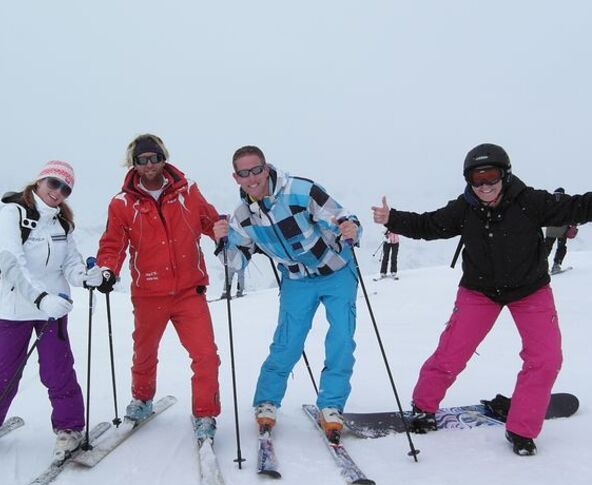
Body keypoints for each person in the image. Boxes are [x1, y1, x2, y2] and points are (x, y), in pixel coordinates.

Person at [372, 143, 592, 456]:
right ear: (469, 181)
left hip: (531, 290)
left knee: (546, 359)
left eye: (492, 177)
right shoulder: (464, 208)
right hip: (479, 291)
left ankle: (522, 430)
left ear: (505, 175)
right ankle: (423, 406)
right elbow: (429, 225)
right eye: (478, 179)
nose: (485, 186)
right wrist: (392, 218)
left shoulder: (530, 201)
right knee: (451, 353)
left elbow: (578, 207)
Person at [0, 161, 102, 461]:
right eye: (53, 183)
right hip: (17, 308)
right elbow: (11, 262)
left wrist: (84, 276)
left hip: (54, 307)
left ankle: (70, 428)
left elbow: (70, 262)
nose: (58, 192)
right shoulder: (12, 213)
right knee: (4, 374)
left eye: (65, 188)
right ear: (39, 181)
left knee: (57, 369)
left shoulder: (61, 223)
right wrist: (40, 297)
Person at [214, 145, 361, 443]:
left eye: (256, 169)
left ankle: (331, 404)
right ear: (236, 177)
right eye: (244, 173)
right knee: (287, 342)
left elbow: (342, 218)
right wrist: (222, 242)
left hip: (337, 271)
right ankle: (267, 401)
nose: (252, 178)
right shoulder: (242, 217)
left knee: (341, 339)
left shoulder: (300, 191)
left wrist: (349, 229)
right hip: (296, 280)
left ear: (266, 168)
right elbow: (237, 263)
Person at [96, 134, 221, 440]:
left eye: (155, 158)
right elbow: (114, 243)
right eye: (142, 160)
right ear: (134, 163)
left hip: (190, 290)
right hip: (149, 293)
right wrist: (107, 270)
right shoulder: (122, 203)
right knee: (144, 352)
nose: (149, 164)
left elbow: (209, 220)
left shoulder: (188, 190)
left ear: (164, 158)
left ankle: (205, 415)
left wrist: (223, 235)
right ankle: (142, 398)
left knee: (205, 354)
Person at [544, 188, 576, 273]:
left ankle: (541, 266)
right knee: (561, 247)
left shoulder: (549, 200)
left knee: (546, 247)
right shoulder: (566, 200)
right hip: (562, 229)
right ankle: (556, 265)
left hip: (550, 229)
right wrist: (573, 225)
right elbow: (571, 213)